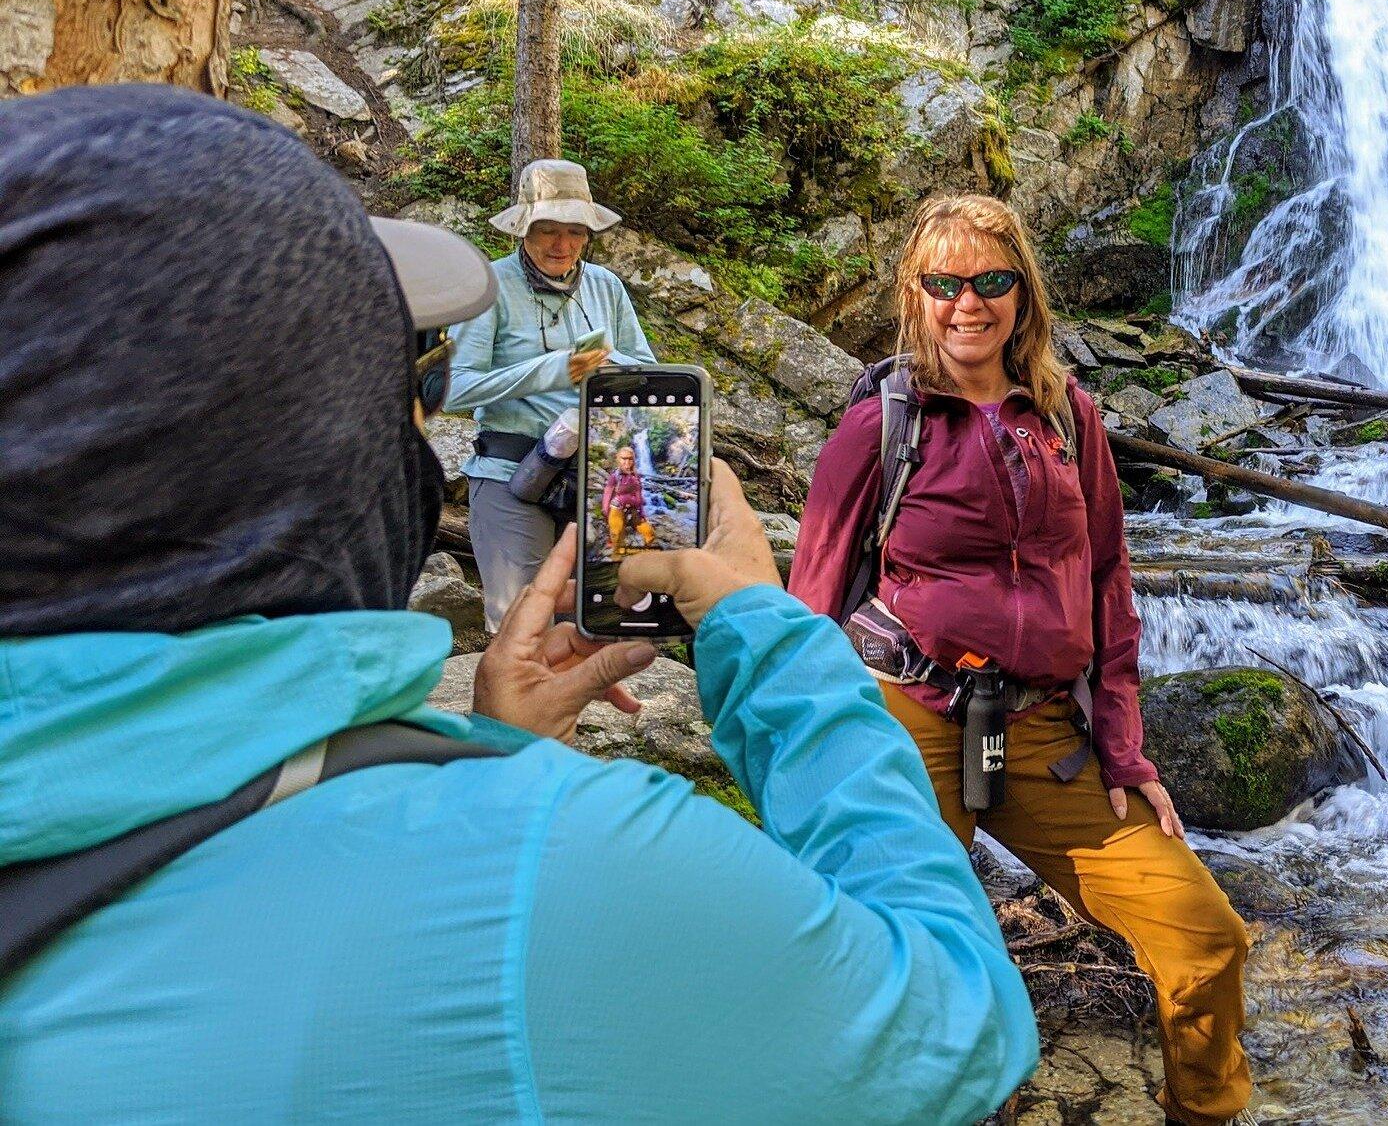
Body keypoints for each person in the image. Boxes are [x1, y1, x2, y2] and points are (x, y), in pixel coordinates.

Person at [0, 87, 1037, 1122]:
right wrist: (774, 643)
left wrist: (478, 754)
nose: (418, 407)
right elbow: (958, 1025)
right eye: (417, 376)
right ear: (313, 455)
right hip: (517, 478)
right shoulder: (564, 878)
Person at [789, 194, 1253, 1126]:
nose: (969, 303)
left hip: (1042, 726)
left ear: (1023, 295)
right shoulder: (881, 424)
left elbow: (1109, 582)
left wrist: (1124, 749)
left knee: (1204, 935)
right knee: (926, 968)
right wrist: (811, 767)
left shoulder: (1068, 416)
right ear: (915, 297)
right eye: (945, 283)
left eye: (991, 281)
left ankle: (1202, 1109)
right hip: (909, 715)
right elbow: (808, 608)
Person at [447, 158, 655, 630]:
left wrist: (610, 367)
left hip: (597, 479)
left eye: (575, 231)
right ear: (523, 229)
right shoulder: (491, 285)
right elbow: (455, 387)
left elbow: (645, 371)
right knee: (522, 623)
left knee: (601, 620)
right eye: (548, 231)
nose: (563, 245)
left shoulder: (606, 286)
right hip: (510, 474)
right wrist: (553, 370)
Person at [603, 444, 658, 557]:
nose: (627, 462)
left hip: (634, 511)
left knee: (649, 533)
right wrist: (606, 511)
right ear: (618, 459)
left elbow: (639, 494)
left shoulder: (636, 476)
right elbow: (608, 493)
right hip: (617, 509)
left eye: (630, 459)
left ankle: (641, 554)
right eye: (624, 459)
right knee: (617, 537)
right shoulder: (615, 476)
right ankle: (618, 558)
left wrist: (642, 512)